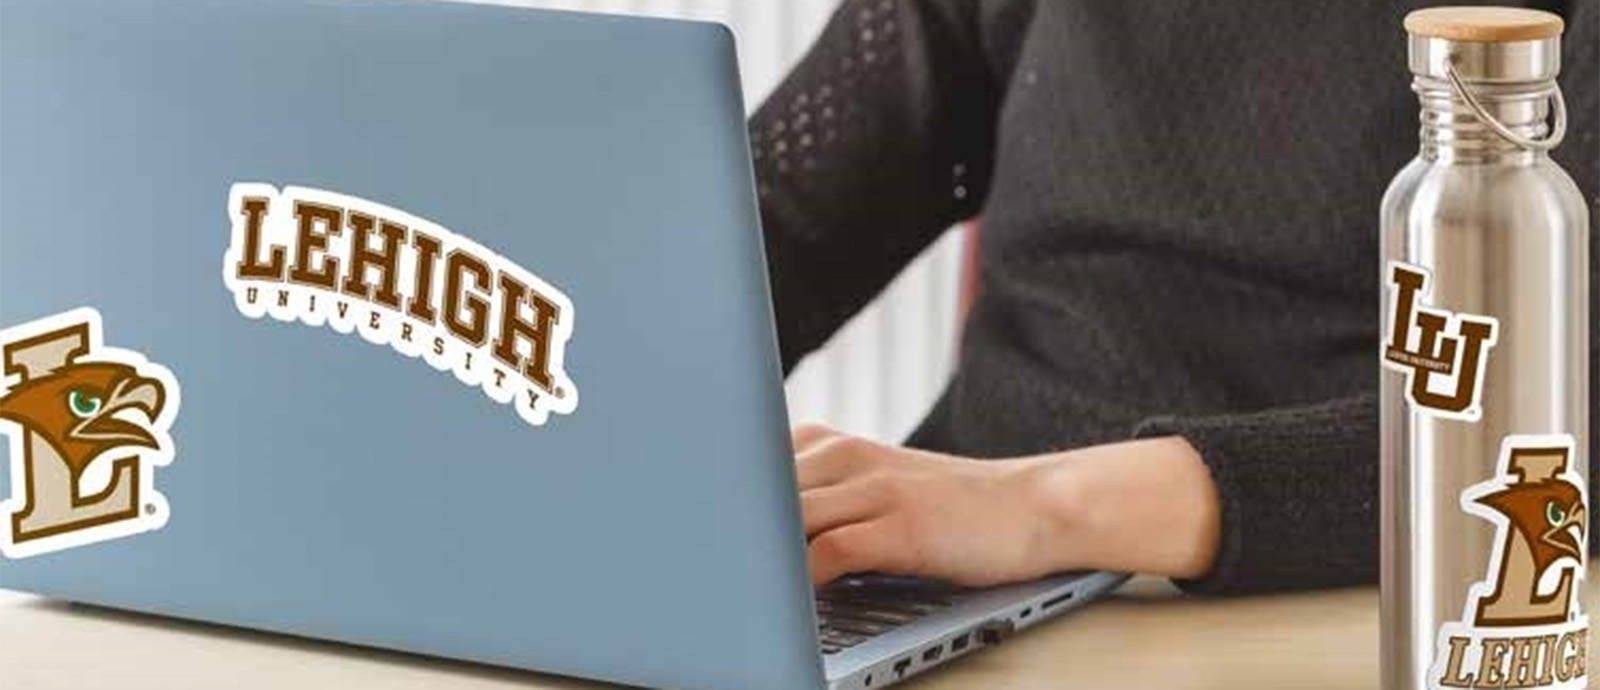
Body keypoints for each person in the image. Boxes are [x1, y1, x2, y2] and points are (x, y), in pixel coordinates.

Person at [750, 0, 1599, 595]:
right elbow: (776, 222)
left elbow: (1561, 419)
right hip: (950, 583)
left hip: (1344, 600)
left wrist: (1049, 507)